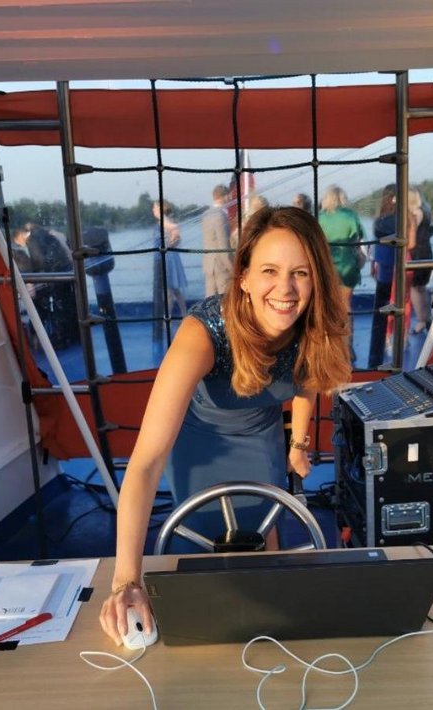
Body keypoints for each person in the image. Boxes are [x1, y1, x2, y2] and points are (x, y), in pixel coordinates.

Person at [100, 206, 351, 645]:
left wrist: (298, 444)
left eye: (301, 273)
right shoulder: (203, 333)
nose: (286, 289)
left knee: (264, 534)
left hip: (262, 436)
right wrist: (126, 581)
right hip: (202, 444)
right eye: (269, 270)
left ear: (317, 280)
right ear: (244, 278)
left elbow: (307, 383)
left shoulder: (319, 325)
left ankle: (271, 631)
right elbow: (147, 461)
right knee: (202, 550)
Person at [12, 223, 79, 349]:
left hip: (54, 276)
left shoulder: (32, 241)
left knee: (58, 306)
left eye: (18, 243)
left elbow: (40, 261)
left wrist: (33, 278)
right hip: (64, 272)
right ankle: (74, 334)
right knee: (68, 303)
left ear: (19, 237)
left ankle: (62, 338)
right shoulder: (45, 235)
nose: (21, 245)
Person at [318, 185, 364, 304]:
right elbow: (360, 238)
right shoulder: (351, 216)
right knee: (345, 304)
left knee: (326, 304)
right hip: (347, 264)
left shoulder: (320, 217)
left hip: (325, 265)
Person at [368, 184, 397, 368]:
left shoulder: (380, 220)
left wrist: (373, 262)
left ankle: (376, 354)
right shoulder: (401, 219)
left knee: (380, 311)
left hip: (384, 269)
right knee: (400, 307)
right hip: (398, 269)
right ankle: (396, 344)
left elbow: (376, 244)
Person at [152, 199, 188, 322]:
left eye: (155, 207)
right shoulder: (164, 221)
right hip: (169, 257)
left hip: (168, 259)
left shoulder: (164, 221)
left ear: (160, 209)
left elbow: (175, 229)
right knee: (175, 290)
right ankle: (184, 314)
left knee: (169, 291)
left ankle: (167, 319)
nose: (153, 210)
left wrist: (172, 241)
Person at [406, 186, 433, 334]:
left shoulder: (416, 214)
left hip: (417, 253)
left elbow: (410, 232)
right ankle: (427, 318)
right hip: (426, 251)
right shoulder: (425, 210)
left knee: (415, 288)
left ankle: (421, 320)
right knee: (422, 287)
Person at [201, 185, 233, 296]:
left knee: (209, 299)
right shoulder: (221, 216)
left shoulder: (206, 214)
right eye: (229, 196)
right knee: (224, 298)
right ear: (225, 196)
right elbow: (223, 247)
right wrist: (233, 268)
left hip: (208, 264)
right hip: (221, 265)